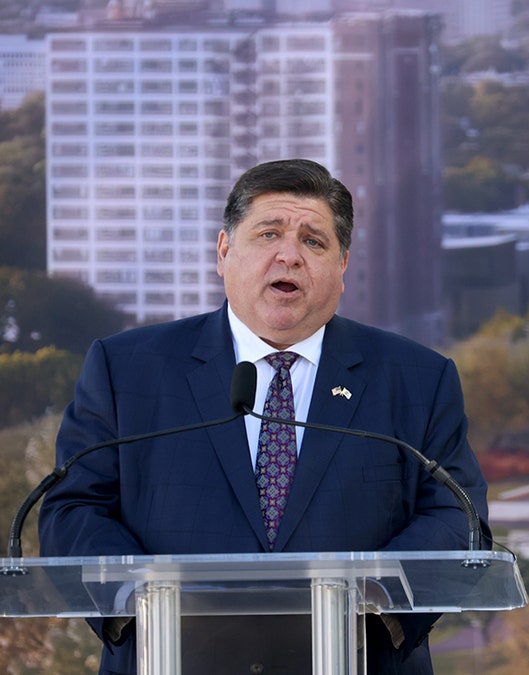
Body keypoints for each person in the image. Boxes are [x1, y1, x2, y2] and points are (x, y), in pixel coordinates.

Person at [38, 158, 490, 674]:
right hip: (170, 656)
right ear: (224, 251)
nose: (289, 255)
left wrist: (371, 604)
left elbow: (459, 516)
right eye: (268, 233)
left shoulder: (417, 378)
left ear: (342, 267)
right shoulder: (128, 370)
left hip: (360, 658)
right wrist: (143, 603)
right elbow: (72, 509)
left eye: (314, 242)